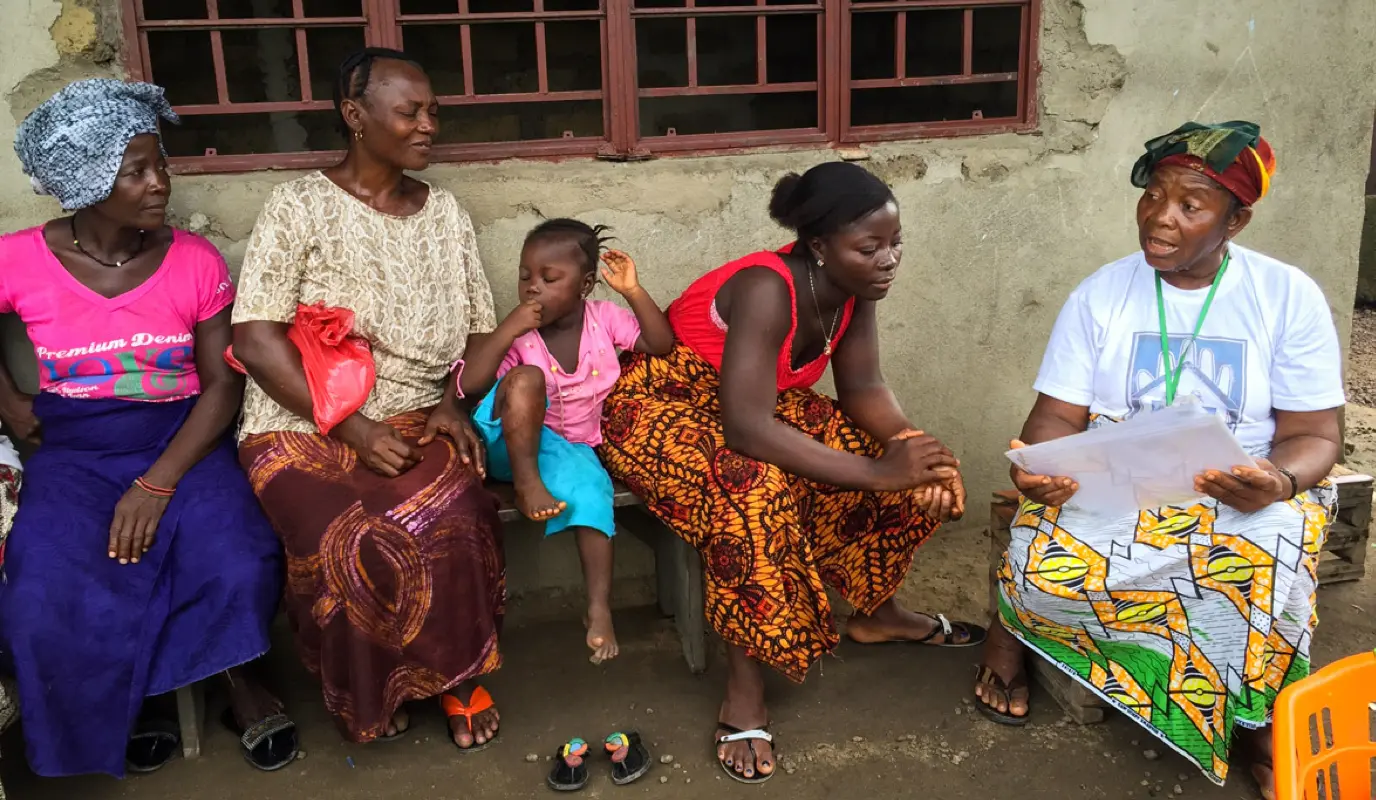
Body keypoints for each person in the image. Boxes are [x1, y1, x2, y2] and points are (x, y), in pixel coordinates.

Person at [973, 121, 1342, 800]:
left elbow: (1317, 434)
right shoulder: (1101, 294)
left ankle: (1256, 722)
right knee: (1039, 572)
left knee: (1265, 557)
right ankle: (1014, 630)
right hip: (1120, 479)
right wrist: (1038, 471)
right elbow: (1053, 422)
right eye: (1153, 197)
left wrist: (1280, 479)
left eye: (1189, 207)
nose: (1160, 219)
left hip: (1242, 483)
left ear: (1237, 219)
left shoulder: (1286, 297)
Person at [597, 161, 980, 784]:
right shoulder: (766, 287)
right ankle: (743, 689)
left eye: (896, 243)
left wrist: (915, 450)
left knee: (873, 447)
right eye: (871, 247)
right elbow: (748, 431)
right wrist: (882, 471)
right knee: (752, 489)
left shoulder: (855, 292)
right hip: (660, 405)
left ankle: (875, 611)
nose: (889, 260)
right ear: (820, 247)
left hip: (749, 404)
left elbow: (864, 389)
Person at [0, 79, 292, 778]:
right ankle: (138, 696)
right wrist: (8, 400)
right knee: (48, 584)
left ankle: (236, 684)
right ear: (89, 180)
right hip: (73, 450)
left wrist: (157, 484)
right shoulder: (19, 259)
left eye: (160, 163)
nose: (161, 182)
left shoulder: (194, 260)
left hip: (182, 441)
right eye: (138, 170)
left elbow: (222, 384)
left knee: (238, 556)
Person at [232, 48, 505, 752]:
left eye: (434, 112)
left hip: (418, 414)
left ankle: (454, 676)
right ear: (355, 116)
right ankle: (372, 689)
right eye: (409, 111)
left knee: (456, 510)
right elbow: (258, 340)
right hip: (300, 420)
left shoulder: (445, 212)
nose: (427, 126)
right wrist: (349, 426)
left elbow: (478, 330)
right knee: (345, 533)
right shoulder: (298, 205)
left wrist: (453, 403)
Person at [459, 219, 674, 664]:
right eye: (525, 277)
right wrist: (508, 330)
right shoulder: (521, 336)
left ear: (586, 284)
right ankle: (526, 483)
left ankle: (598, 608)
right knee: (526, 379)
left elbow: (661, 343)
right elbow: (471, 384)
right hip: (506, 439)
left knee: (592, 493)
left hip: (566, 448)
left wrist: (632, 291)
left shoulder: (604, 320)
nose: (532, 288)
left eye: (548, 278)